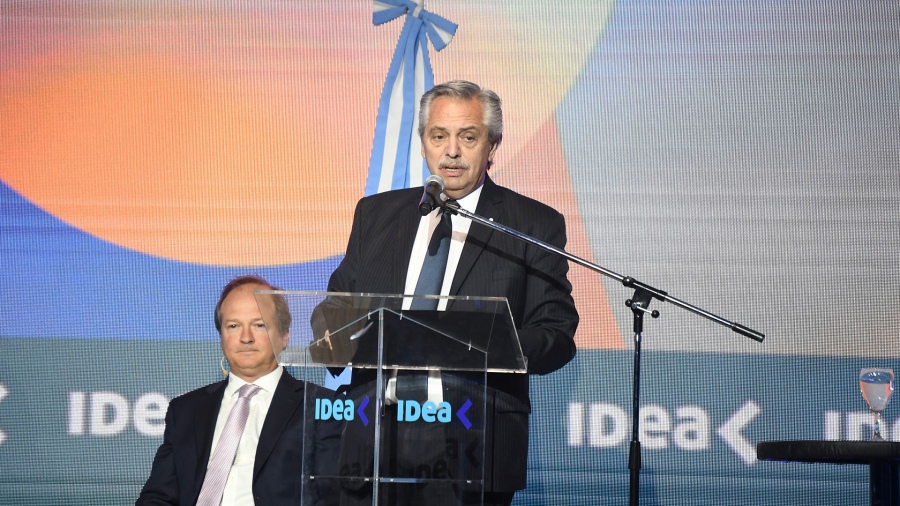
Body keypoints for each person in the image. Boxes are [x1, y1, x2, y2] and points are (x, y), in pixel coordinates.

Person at [325, 80, 579, 505]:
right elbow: (335, 312)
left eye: (468, 137)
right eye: (439, 136)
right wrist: (340, 333)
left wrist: (478, 341)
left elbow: (555, 336)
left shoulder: (531, 224)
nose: (452, 151)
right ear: (423, 142)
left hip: (472, 442)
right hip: (374, 436)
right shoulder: (377, 214)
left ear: (492, 146)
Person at [137, 275, 338, 505]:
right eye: (233, 326)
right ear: (221, 336)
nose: (246, 338)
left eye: (259, 325)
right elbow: (158, 497)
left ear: (284, 336)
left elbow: (332, 496)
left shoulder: (321, 406)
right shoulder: (185, 410)